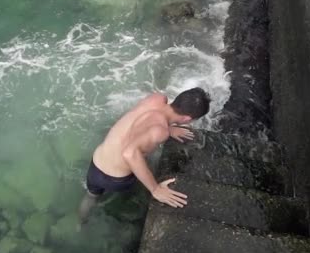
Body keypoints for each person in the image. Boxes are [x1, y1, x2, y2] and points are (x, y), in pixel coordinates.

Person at [78, 87, 211, 224]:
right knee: (139, 189)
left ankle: (80, 222)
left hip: (96, 164)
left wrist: (168, 128)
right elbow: (129, 153)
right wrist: (155, 189)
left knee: (91, 196)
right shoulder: (160, 131)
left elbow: (142, 122)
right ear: (186, 118)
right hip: (116, 180)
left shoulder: (156, 99)